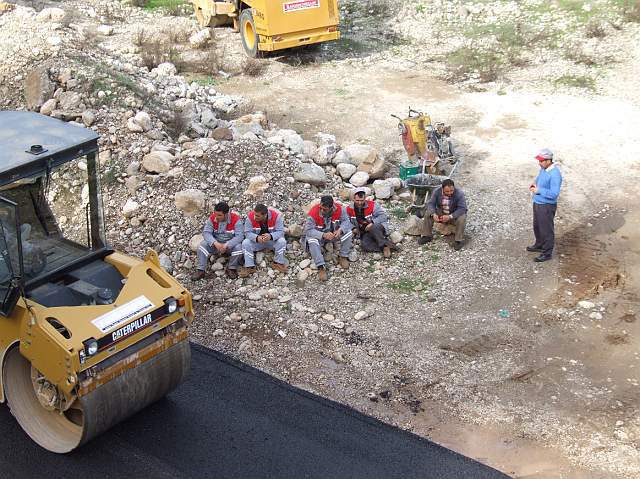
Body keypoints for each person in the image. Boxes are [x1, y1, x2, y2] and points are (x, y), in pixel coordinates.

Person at [302, 195, 352, 281]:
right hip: (319, 236)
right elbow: (308, 230)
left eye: (324, 209)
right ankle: (321, 266)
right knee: (311, 240)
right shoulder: (313, 212)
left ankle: (343, 256)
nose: (321, 210)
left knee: (348, 232)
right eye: (320, 207)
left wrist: (340, 230)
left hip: (333, 235)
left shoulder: (340, 209)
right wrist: (323, 235)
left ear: (331, 207)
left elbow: (346, 221)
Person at [192, 201, 244, 280]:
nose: (217, 217)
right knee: (202, 245)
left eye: (219, 215)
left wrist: (227, 245)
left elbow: (239, 236)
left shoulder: (236, 220)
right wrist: (215, 243)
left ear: (226, 214)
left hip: (229, 246)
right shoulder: (212, 218)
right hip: (216, 245)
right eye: (216, 214)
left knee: (239, 248)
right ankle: (201, 270)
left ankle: (231, 268)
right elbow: (206, 233)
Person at [527, 148, 562, 262]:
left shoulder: (555, 175)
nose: (539, 163)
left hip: (546, 206)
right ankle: (539, 244)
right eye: (539, 160)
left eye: (541, 161)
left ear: (548, 160)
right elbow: (539, 177)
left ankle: (547, 253)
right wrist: (534, 183)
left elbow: (554, 194)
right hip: (538, 203)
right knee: (537, 226)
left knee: (546, 229)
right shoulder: (543, 169)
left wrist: (539, 190)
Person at [418, 178, 467, 250]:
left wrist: (450, 216)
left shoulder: (459, 193)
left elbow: (462, 208)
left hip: (453, 214)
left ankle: (458, 240)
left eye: (451, 190)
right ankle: (426, 235)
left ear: (454, 188)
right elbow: (431, 204)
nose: (450, 193)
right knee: (429, 212)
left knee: (462, 217)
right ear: (442, 189)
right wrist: (434, 214)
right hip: (442, 213)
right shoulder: (436, 191)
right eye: (447, 191)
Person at [240, 204, 288, 277]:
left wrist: (271, 236)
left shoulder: (276, 216)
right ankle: (249, 267)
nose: (255, 217)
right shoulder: (250, 217)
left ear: (265, 215)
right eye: (255, 214)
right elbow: (247, 233)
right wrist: (256, 238)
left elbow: (281, 232)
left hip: (271, 241)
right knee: (245, 242)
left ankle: (278, 263)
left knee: (282, 241)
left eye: (257, 216)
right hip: (258, 242)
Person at [346, 187, 394, 258]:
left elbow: (383, 216)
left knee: (373, 227)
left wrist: (372, 222)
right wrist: (353, 228)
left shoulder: (373, 205)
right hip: (364, 232)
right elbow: (346, 221)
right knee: (365, 246)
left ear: (365, 198)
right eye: (357, 200)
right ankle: (386, 246)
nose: (359, 203)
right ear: (353, 199)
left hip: (377, 228)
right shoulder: (349, 209)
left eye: (362, 200)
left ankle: (384, 245)